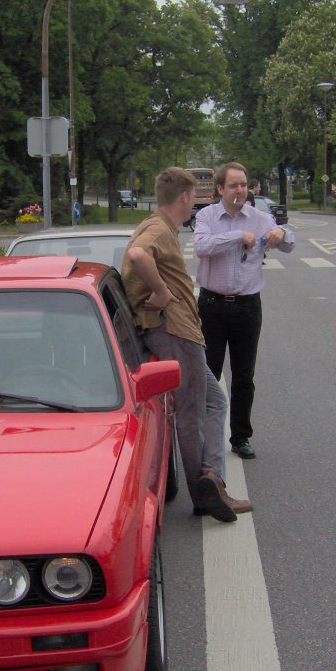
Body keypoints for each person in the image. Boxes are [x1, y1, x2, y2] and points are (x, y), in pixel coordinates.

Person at [122, 166, 252, 523]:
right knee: (193, 411)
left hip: (177, 329)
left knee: (214, 401)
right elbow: (138, 255)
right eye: (193, 196)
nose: (194, 202)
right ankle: (205, 494)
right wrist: (162, 292)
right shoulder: (157, 229)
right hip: (174, 330)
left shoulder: (160, 227)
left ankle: (211, 479)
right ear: (183, 197)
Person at [194, 161, 295, 460]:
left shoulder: (259, 218)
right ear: (221, 189)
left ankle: (240, 436)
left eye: (243, 185)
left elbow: (289, 243)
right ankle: (205, 436)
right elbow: (202, 247)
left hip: (247, 306)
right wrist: (238, 236)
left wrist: (281, 234)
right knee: (208, 372)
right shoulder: (207, 216)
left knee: (244, 375)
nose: (239, 190)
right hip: (212, 305)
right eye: (233, 185)